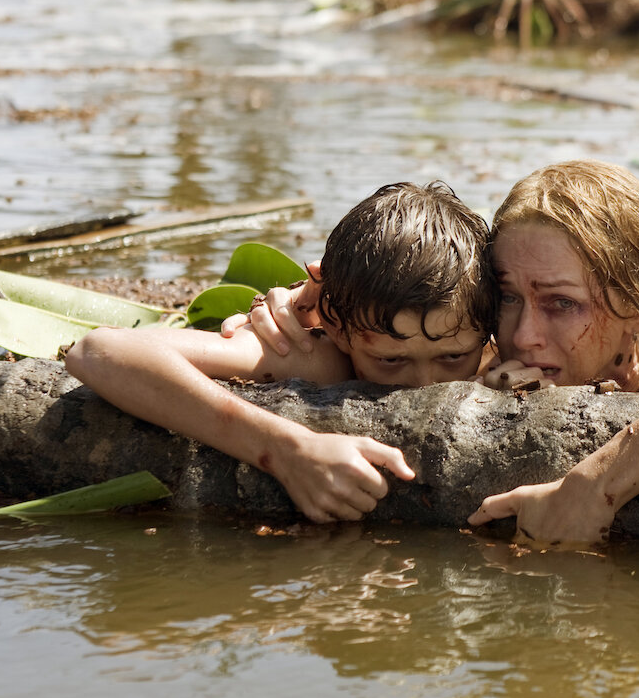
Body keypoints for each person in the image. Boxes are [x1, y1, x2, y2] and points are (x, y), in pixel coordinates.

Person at [233, 160, 639, 546]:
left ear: (638, 301)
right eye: (506, 297)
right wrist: (310, 306)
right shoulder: (465, 358)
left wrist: (593, 488)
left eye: (561, 304)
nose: (523, 335)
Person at [65, 181, 496, 524]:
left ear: (488, 332)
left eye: (453, 357)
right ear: (337, 327)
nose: (425, 384)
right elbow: (98, 350)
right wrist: (285, 451)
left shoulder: (500, 355)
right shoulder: (315, 357)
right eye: (390, 360)